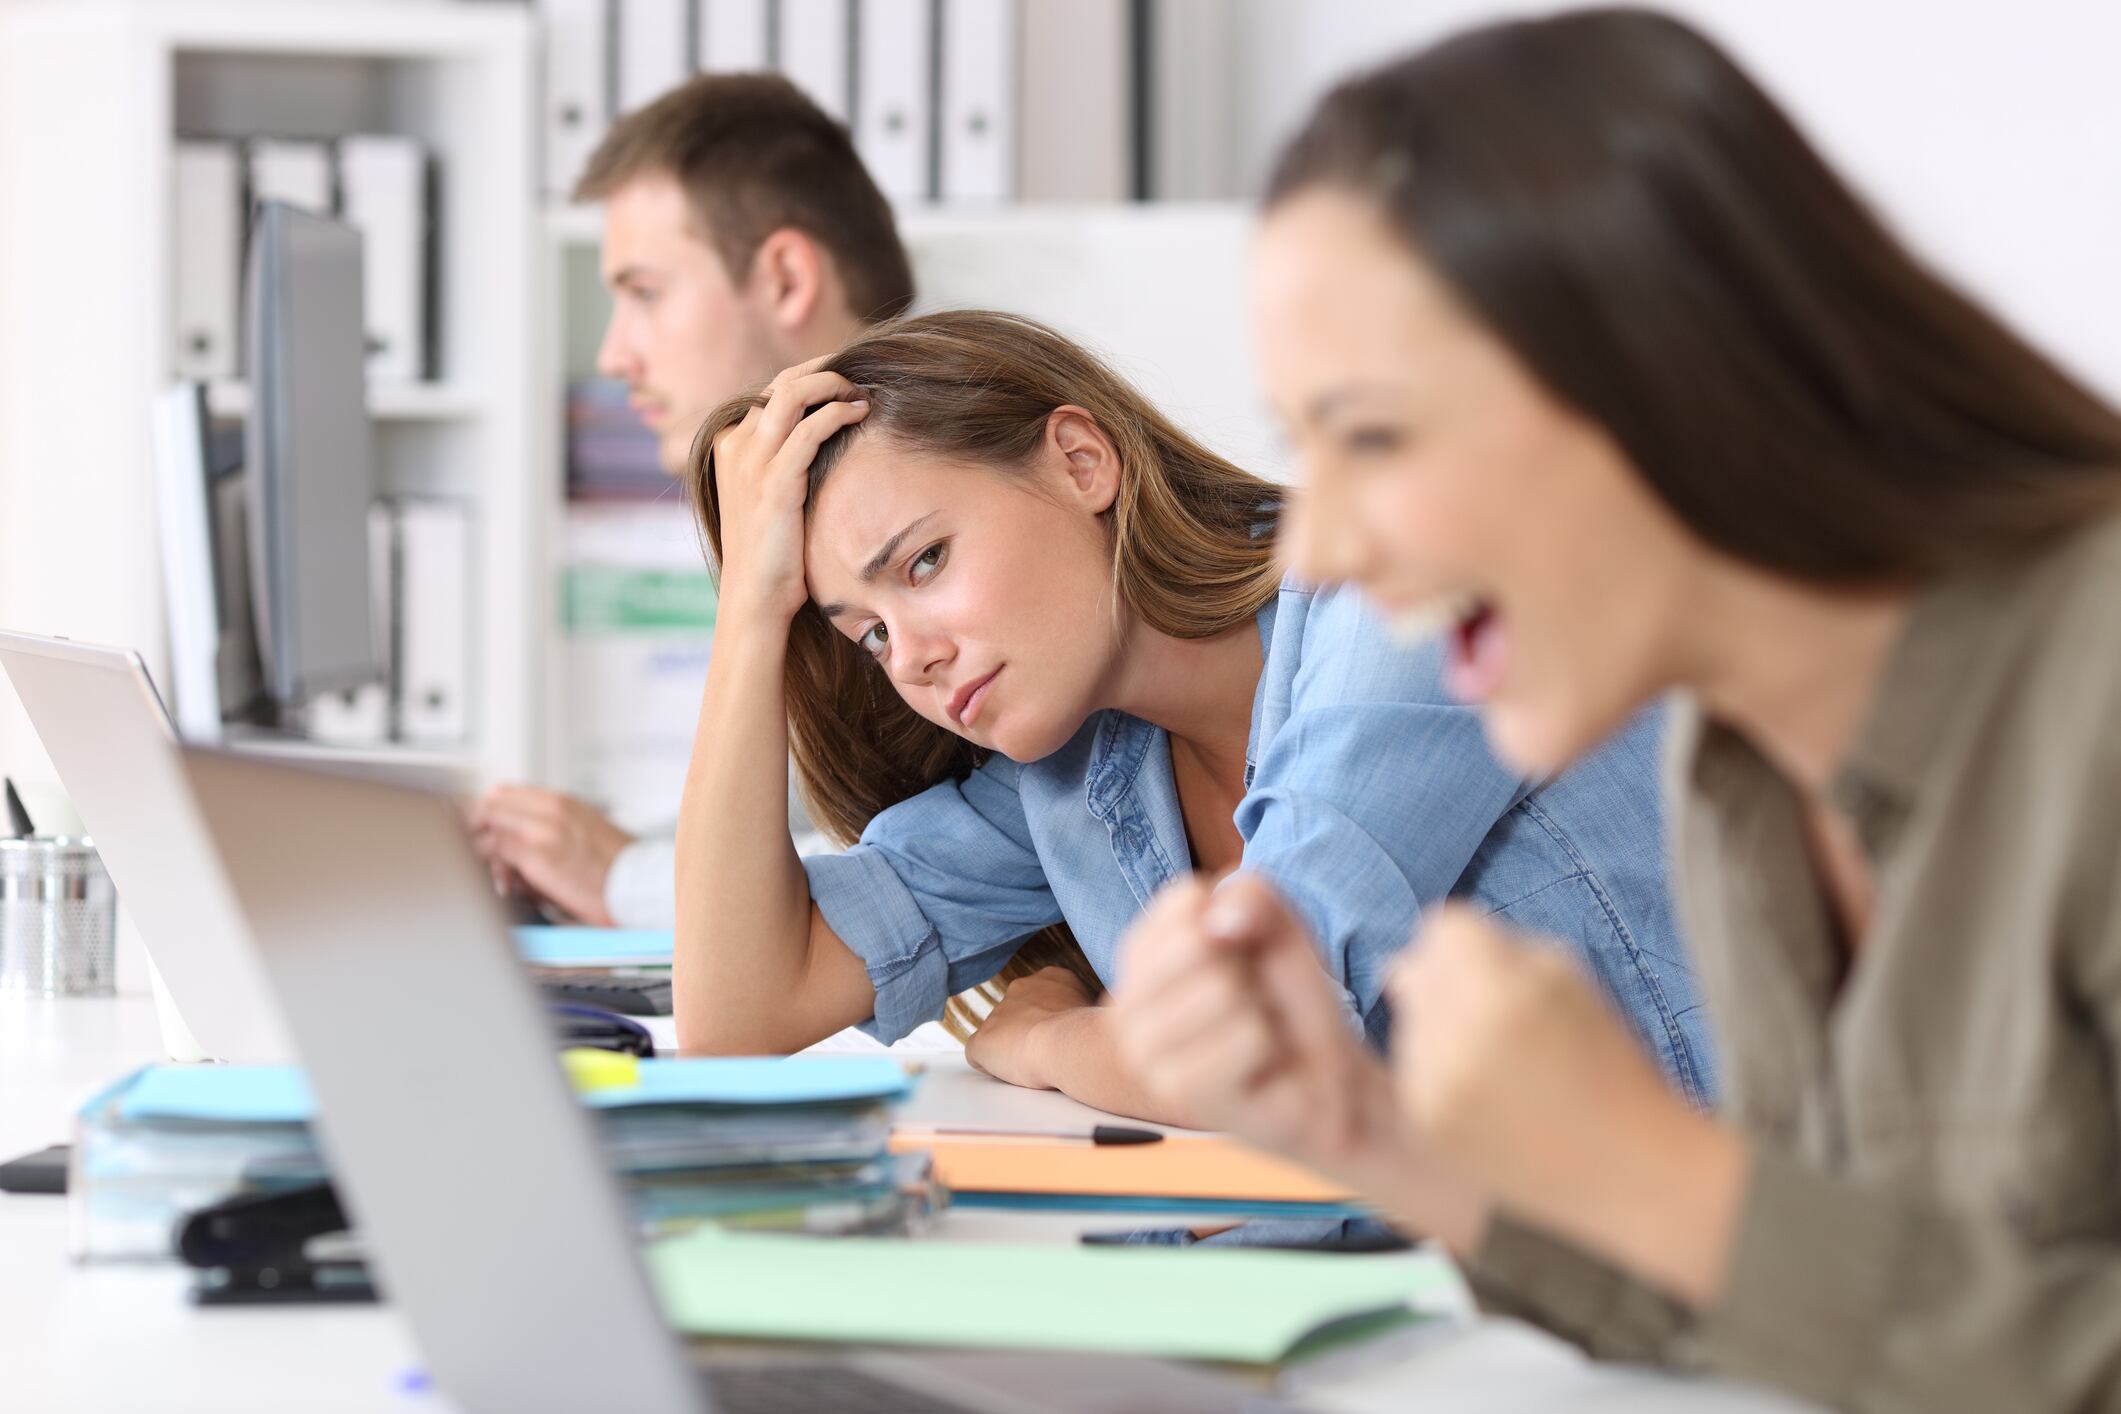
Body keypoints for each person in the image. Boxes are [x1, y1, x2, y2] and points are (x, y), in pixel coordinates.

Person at [1110, 10, 2121, 1410]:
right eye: (1302, 445)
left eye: (1377, 435)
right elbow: (1821, 1332)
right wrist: (1378, 1139)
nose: (1316, 553)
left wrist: (1662, 1171)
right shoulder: (1734, 775)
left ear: (1663, 371)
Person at [671, 307, 1711, 1123]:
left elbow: (1262, 1048)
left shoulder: (1399, 598)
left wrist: (1046, 1041)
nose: (916, 657)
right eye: (869, 635)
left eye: (926, 562)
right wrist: (750, 618)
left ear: (1082, 462)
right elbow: (738, 1015)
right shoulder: (1075, 771)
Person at [470, 73, 916, 927]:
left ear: (784, 278)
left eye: (644, 293)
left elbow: (931, 862)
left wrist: (626, 878)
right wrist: (590, 857)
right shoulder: (796, 508)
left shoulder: (933, 517)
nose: (614, 355)